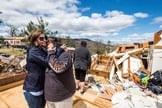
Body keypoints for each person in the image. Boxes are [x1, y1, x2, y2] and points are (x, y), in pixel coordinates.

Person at [44, 37, 76, 108]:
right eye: (47, 48)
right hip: (50, 96)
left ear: (57, 46)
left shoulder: (65, 55)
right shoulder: (48, 56)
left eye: (51, 47)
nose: (48, 49)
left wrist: (51, 53)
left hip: (62, 97)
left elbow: (58, 68)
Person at [23, 30, 48, 108]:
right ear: (34, 40)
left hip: (40, 86)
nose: (44, 40)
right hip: (34, 89)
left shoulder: (41, 49)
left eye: (45, 38)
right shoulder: (33, 51)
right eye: (41, 38)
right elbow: (48, 62)